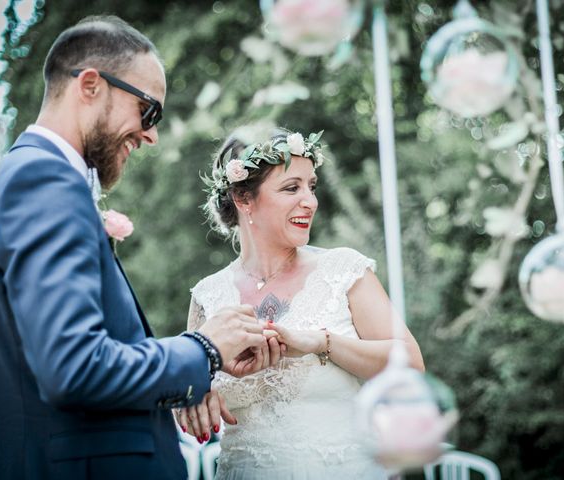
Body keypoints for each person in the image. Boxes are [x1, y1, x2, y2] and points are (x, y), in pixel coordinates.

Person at [0, 16, 269, 480]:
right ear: (91, 86)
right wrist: (204, 349)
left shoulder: (22, 177)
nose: (151, 134)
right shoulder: (43, 179)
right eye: (148, 111)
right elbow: (74, 366)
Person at [177, 128, 425, 479]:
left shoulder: (344, 271)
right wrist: (191, 394)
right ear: (243, 198)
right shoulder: (208, 295)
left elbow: (412, 367)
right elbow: (186, 384)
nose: (310, 201)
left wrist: (323, 343)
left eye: (312, 186)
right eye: (291, 187)